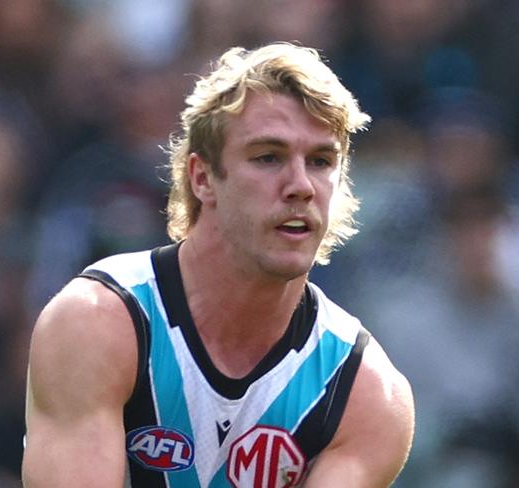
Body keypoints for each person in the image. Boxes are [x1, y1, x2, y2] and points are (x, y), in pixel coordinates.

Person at [22, 42, 415, 487]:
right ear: (202, 178)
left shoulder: (365, 395)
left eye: (322, 161)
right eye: (268, 157)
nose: (301, 186)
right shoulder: (97, 323)